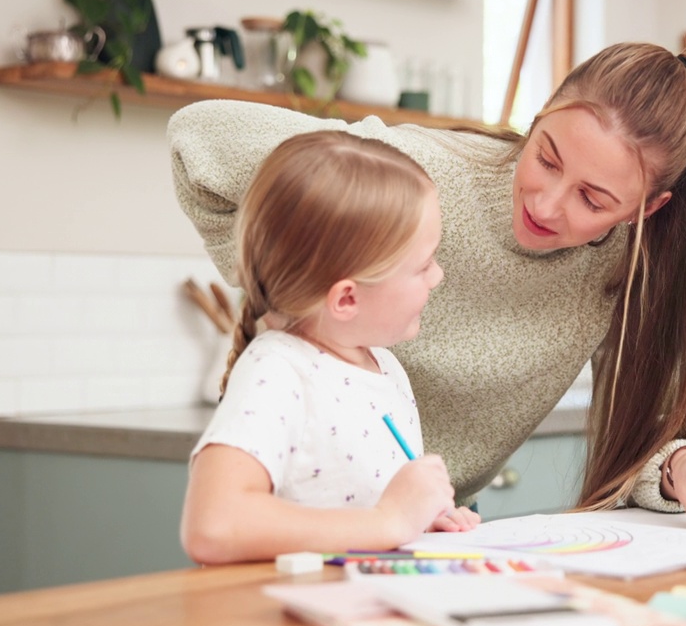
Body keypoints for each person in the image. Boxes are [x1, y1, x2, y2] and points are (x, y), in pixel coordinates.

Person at [170, 41, 686, 533]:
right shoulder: (418, 180)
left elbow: (644, 434)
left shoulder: (632, 269)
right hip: (304, 527)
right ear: (541, 113)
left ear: (645, 209)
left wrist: (684, 461)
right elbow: (199, 137)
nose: (546, 204)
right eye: (547, 159)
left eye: (592, 199)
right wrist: (303, 296)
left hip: (426, 526)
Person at [179, 131, 479, 565]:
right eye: (424, 264)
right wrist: (389, 521)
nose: (438, 277)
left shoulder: (385, 368)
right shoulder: (278, 372)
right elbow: (213, 525)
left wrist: (422, 519)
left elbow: (357, 509)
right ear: (346, 299)